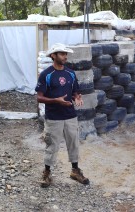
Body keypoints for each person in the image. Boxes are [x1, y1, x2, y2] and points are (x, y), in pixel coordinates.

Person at [36, 43, 89, 188]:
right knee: (51, 146)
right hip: (53, 117)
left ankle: (75, 171)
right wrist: (55, 100)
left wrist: (77, 97)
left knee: (73, 144)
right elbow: (39, 97)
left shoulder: (70, 73)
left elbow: (75, 91)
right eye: (61, 54)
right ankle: (47, 173)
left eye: (66, 54)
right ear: (53, 55)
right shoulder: (46, 75)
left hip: (70, 115)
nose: (65, 56)